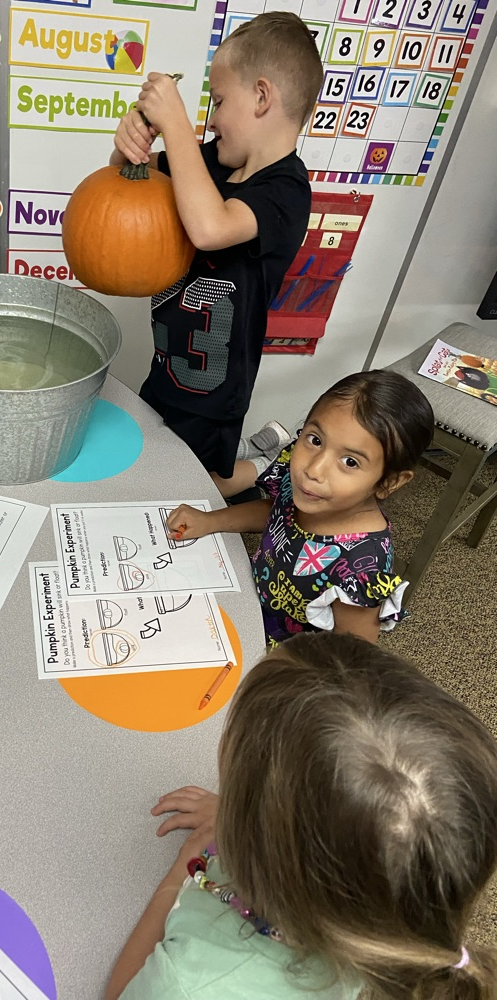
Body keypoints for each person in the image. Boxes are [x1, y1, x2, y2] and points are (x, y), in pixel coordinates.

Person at [104, 631, 497, 1000]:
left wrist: (180, 871)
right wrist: (242, 810)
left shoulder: (186, 986)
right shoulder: (391, 921)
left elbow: (120, 991)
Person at [111, 12, 323, 498]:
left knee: (187, 489)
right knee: (155, 462)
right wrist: (129, 145)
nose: (211, 119)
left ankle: (269, 468)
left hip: (214, 395)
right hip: (167, 369)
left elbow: (210, 228)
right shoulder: (210, 160)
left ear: (263, 97)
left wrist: (177, 126)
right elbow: (129, 178)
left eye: (220, 101)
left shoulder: (286, 191)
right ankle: (263, 457)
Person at [165, 370, 434, 646]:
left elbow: (351, 659)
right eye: (315, 440)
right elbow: (275, 511)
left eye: (350, 462)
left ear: (389, 482)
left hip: (281, 660)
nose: (313, 469)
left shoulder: (362, 570)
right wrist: (210, 520)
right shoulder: (310, 489)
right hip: (245, 602)